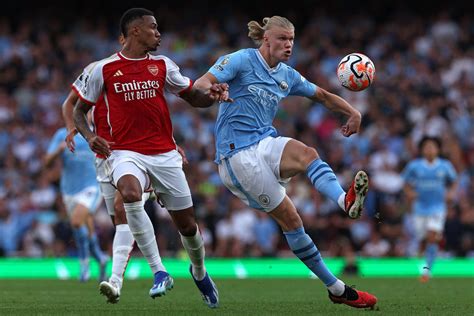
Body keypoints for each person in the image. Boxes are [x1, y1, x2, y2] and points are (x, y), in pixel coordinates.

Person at [194, 16, 377, 308]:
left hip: (264, 141)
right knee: (292, 221)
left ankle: (344, 201)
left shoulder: (287, 75)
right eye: (282, 38)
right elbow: (203, 82)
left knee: (308, 154)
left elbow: (323, 95)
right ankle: (336, 288)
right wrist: (211, 89)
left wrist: (352, 111)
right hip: (235, 156)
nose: (288, 45)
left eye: (291, 40)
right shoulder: (240, 60)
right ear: (266, 39)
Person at [73, 8, 228, 308]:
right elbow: (80, 111)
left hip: (164, 154)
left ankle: (199, 271)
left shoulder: (162, 65)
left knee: (187, 226)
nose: (159, 33)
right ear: (135, 32)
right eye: (153, 28)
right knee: (129, 194)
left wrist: (211, 96)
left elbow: (191, 96)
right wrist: (90, 136)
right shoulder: (103, 69)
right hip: (124, 152)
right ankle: (159, 272)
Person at [44, 127, 109, 282]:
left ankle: (84, 264)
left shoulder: (97, 132)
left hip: (92, 187)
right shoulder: (61, 134)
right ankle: (100, 258)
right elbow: (47, 162)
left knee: (76, 221)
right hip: (69, 191)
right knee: (86, 227)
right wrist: (59, 150)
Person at [402, 136, 457, 282]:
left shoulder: (445, 166)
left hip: (438, 207)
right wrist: (409, 193)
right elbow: (405, 183)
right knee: (423, 239)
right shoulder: (414, 166)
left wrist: (451, 193)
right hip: (419, 208)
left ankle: (427, 271)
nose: (430, 149)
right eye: (427, 147)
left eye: (433, 146)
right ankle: (423, 261)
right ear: (422, 150)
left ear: (438, 149)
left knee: (432, 236)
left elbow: (454, 182)